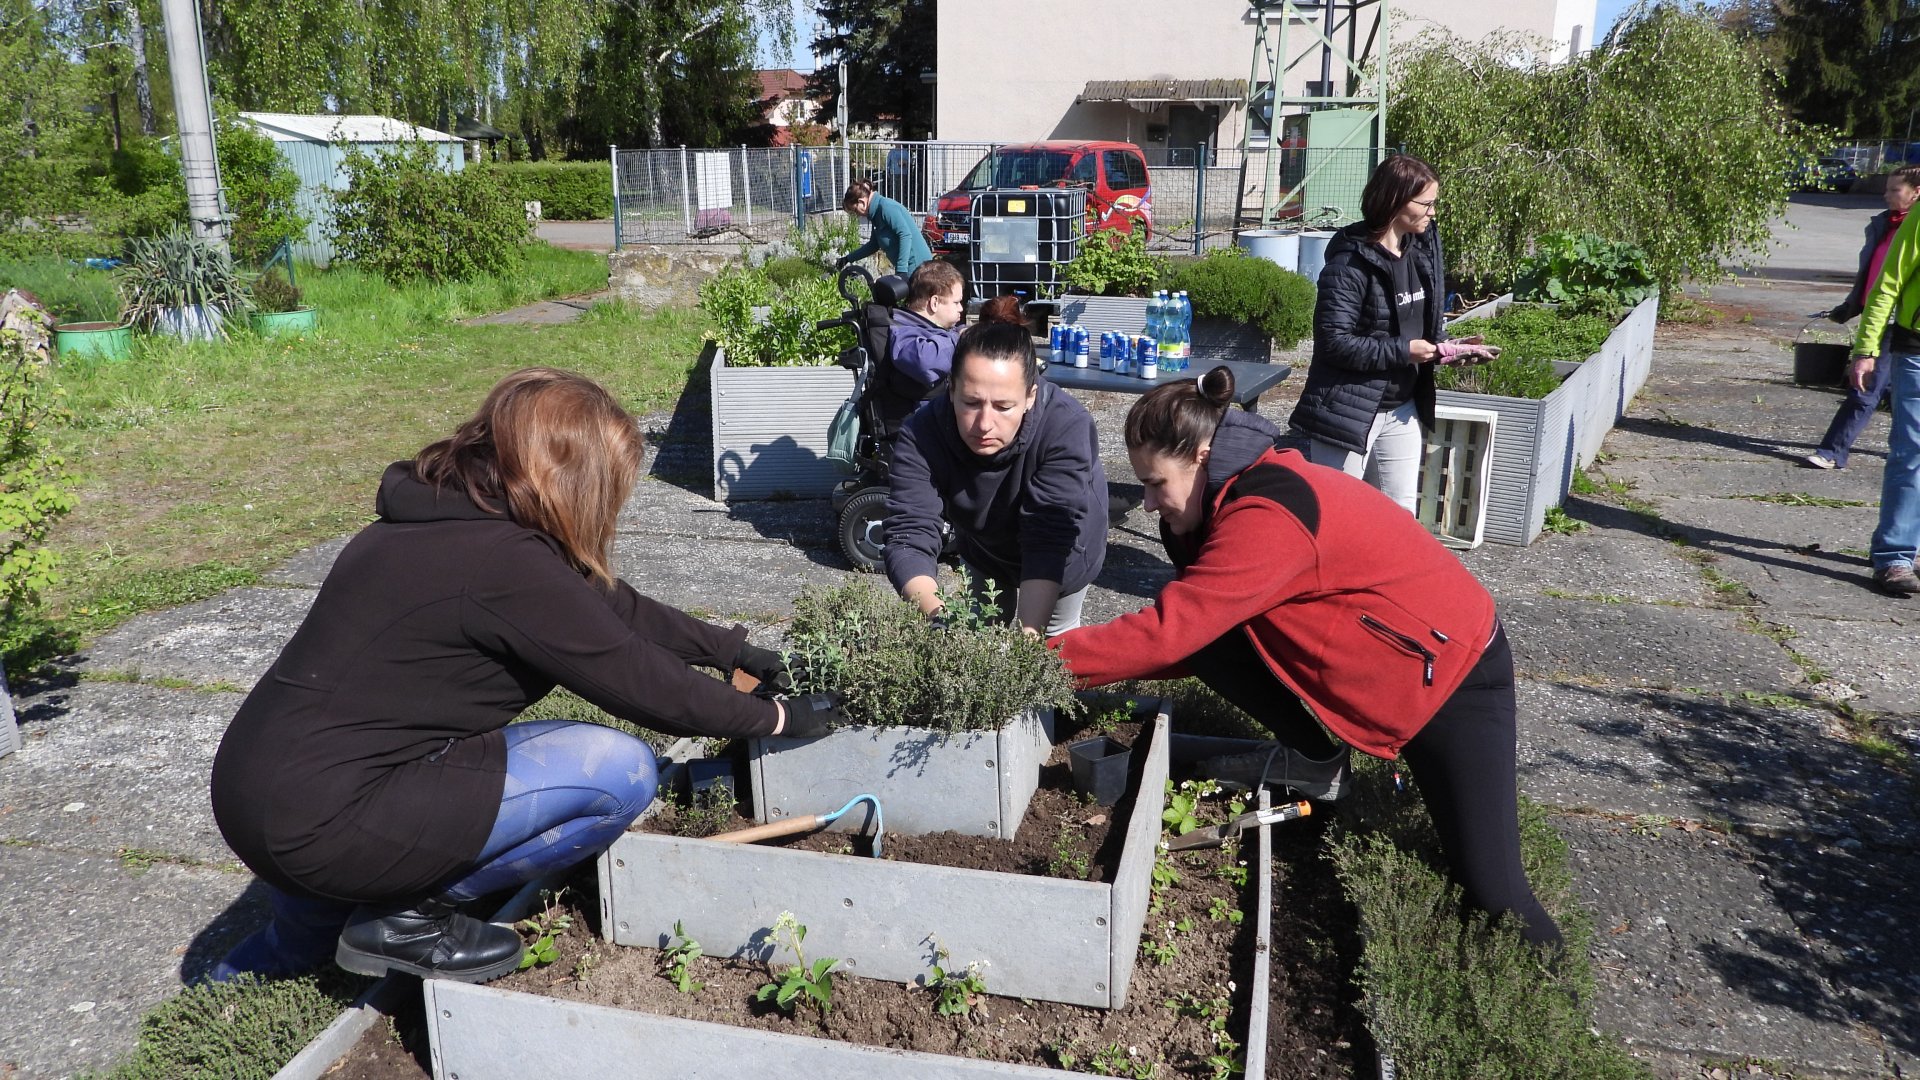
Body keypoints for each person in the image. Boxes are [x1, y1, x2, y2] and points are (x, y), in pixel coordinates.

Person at [207, 368, 844, 984]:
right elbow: (642, 683)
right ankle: (403, 916)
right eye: (609, 485)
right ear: (568, 477)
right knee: (619, 772)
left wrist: (730, 650)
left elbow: (609, 605)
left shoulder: (439, 516)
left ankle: (276, 953)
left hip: (263, 784)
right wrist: (778, 718)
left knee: (298, 926)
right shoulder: (502, 564)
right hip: (326, 819)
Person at [1051, 366, 1564, 948]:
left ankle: (1559, 1001)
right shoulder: (1208, 508)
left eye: (1153, 484)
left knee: (1493, 889)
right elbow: (1193, 638)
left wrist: (1039, 664)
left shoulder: (1267, 516)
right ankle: (1319, 758)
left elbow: (1165, 634)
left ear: (1200, 456)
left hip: (1453, 674)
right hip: (1401, 664)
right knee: (1212, 638)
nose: (1145, 504)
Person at [884, 295, 1108, 637]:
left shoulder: (1066, 426)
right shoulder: (922, 431)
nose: (984, 424)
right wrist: (943, 623)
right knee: (980, 631)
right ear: (951, 388)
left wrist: (1027, 644)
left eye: (1004, 406)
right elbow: (909, 531)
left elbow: (1049, 536)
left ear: (1031, 396)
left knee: (1055, 642)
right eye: (971, 403)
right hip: (983, 547)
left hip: (1063, 552)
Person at [1289, 154, 1493, 513]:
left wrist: (1448, 347)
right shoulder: (1348, 264)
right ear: (1397, 202)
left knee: (1399, 516)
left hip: (1402, 407)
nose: (1433, 212)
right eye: (1427, 204)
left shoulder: (1421, 251)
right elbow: (1334, 344)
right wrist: (1405, 351)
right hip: (1347, 413)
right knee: (1337, 515)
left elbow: (1421, 324)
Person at [1806, 165, 1920, 470]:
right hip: (1879, 318)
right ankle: (1833, 451)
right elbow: (1874, 277)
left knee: (1884, 393)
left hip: (1906, 325)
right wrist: (1851, 305)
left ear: (1916, 193)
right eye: (1887, 188)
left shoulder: (1914, 227)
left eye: (1894, 190)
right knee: (1866, 386)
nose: (1886, 195)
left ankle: (1833, 450)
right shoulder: (1883, 225)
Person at [1850, 193, 1920, 596]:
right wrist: (1866, 349)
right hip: (1917, 349)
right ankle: (1895, 555)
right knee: (1912, 450)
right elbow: (1888, 281)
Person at [878, 259, 966, 435]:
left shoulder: (926, 330)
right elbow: (925, 361)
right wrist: (959, 338)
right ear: (934, 303)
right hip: (919, 438)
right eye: (956, 302)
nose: (961, 309)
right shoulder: (903, 334)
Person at [838, 179, 933, 277]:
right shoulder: (875, 215)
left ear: (861, 202)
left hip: (919, 268)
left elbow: (905, 235)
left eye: (855, 210)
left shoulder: (886, 207)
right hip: (908, 268)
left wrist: (901, 270)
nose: (857, 215)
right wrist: (847, 259)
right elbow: (873, 245)